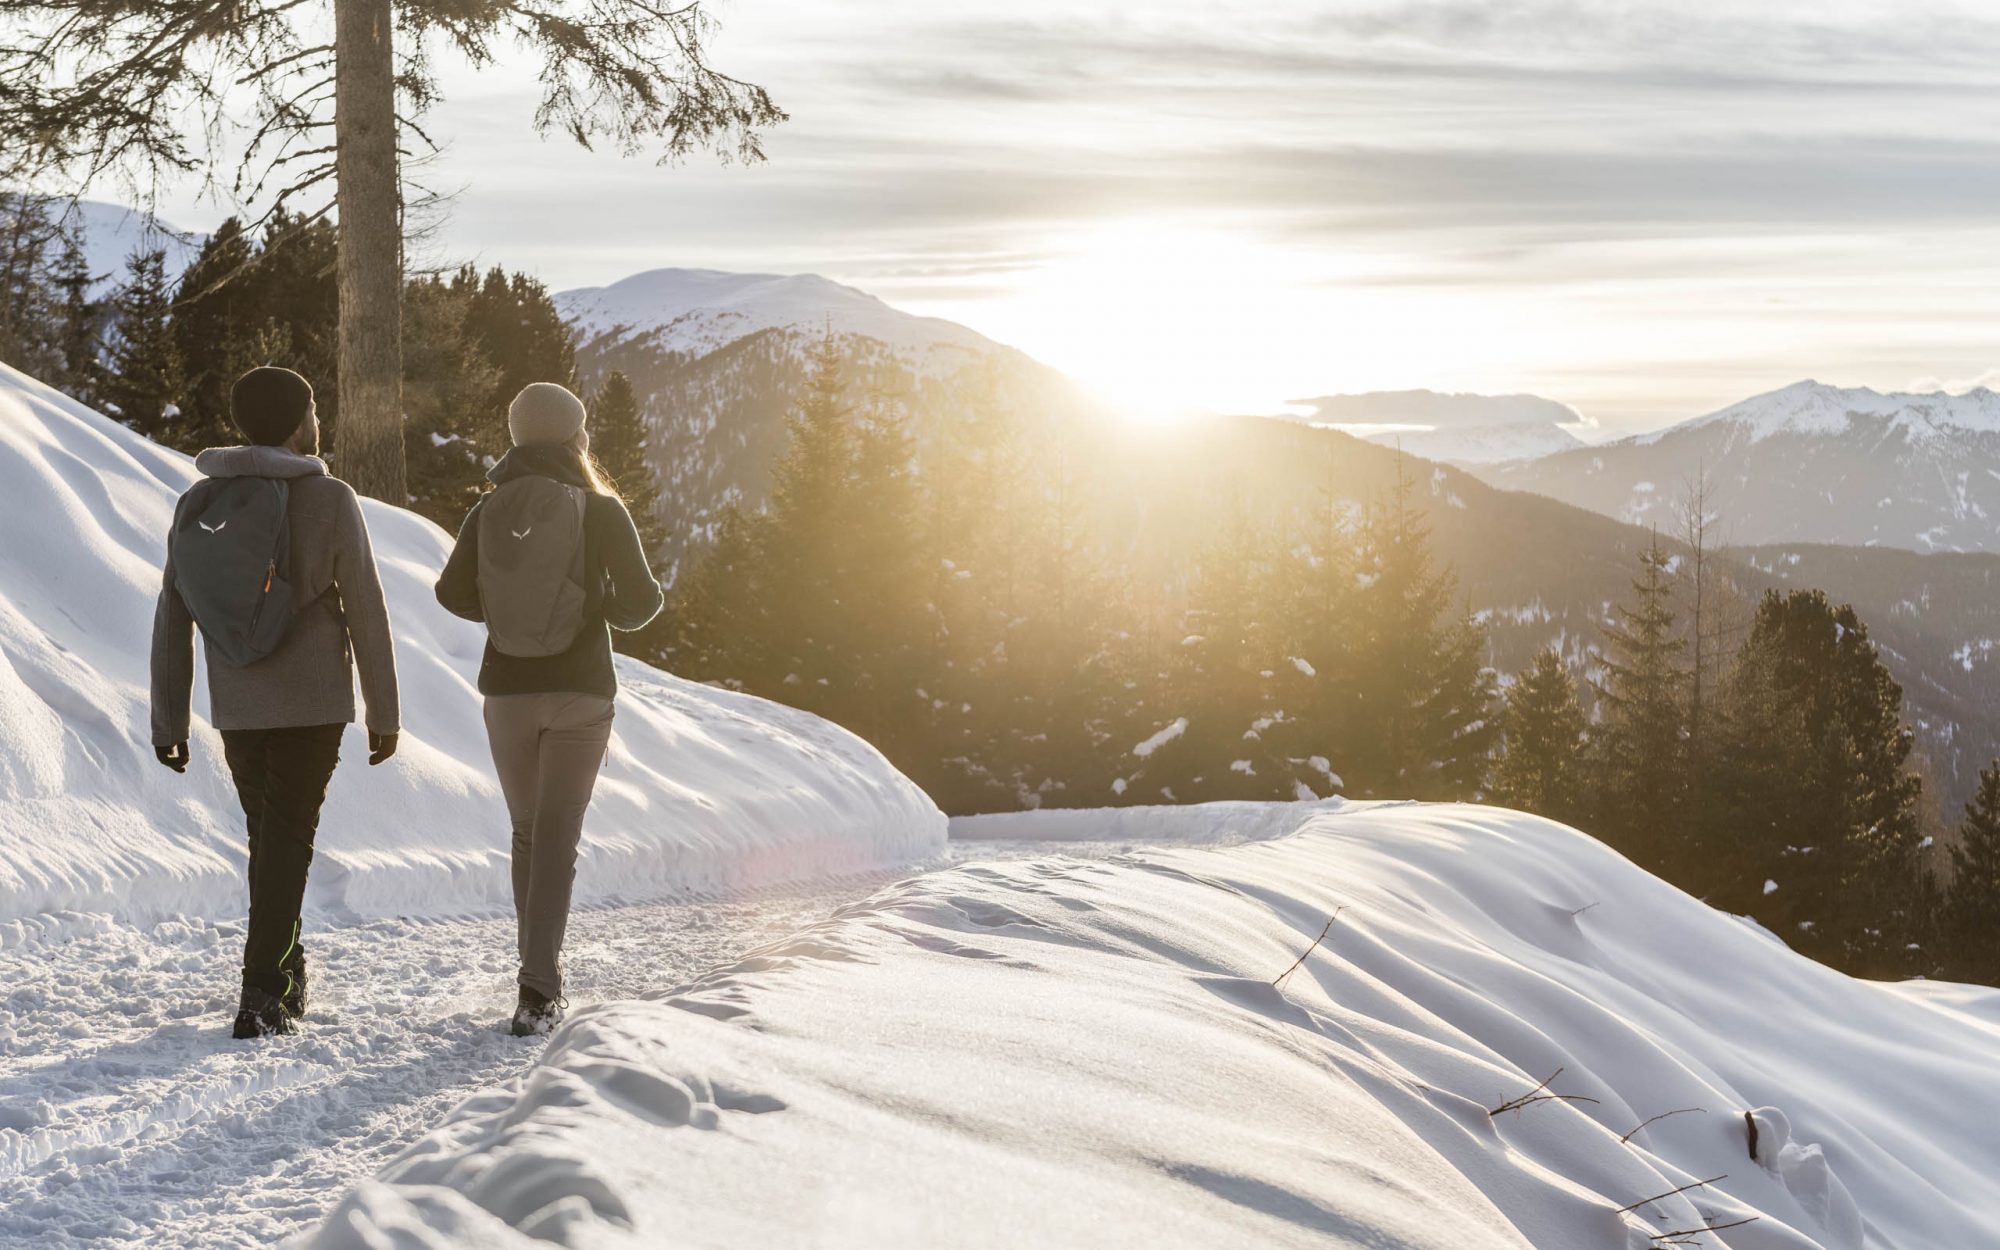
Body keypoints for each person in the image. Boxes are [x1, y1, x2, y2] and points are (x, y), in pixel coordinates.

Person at [150, 366, 401, 1039]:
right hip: (313, 703)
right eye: (315, 407)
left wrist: (169, 720)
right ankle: (262, 989)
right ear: (299, 421)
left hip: (236, 705)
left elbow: (173, 615)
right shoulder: (330, 498)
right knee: (285, 842)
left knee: (273, 841)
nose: (318, 419)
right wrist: (385, 712)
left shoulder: (200, 503)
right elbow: (368, 611)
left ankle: (287, 977)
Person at [435, 382, 663, 1036]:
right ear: (574, 436)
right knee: (557, 837)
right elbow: (644, 603)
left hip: (507, 694)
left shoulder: (487, 510)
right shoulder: (601, 510)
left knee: (529, 832)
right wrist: (597, 612)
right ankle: (539, 990)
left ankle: (534, 976)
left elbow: (452, 593)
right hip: (581, 691)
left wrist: (505, 613)